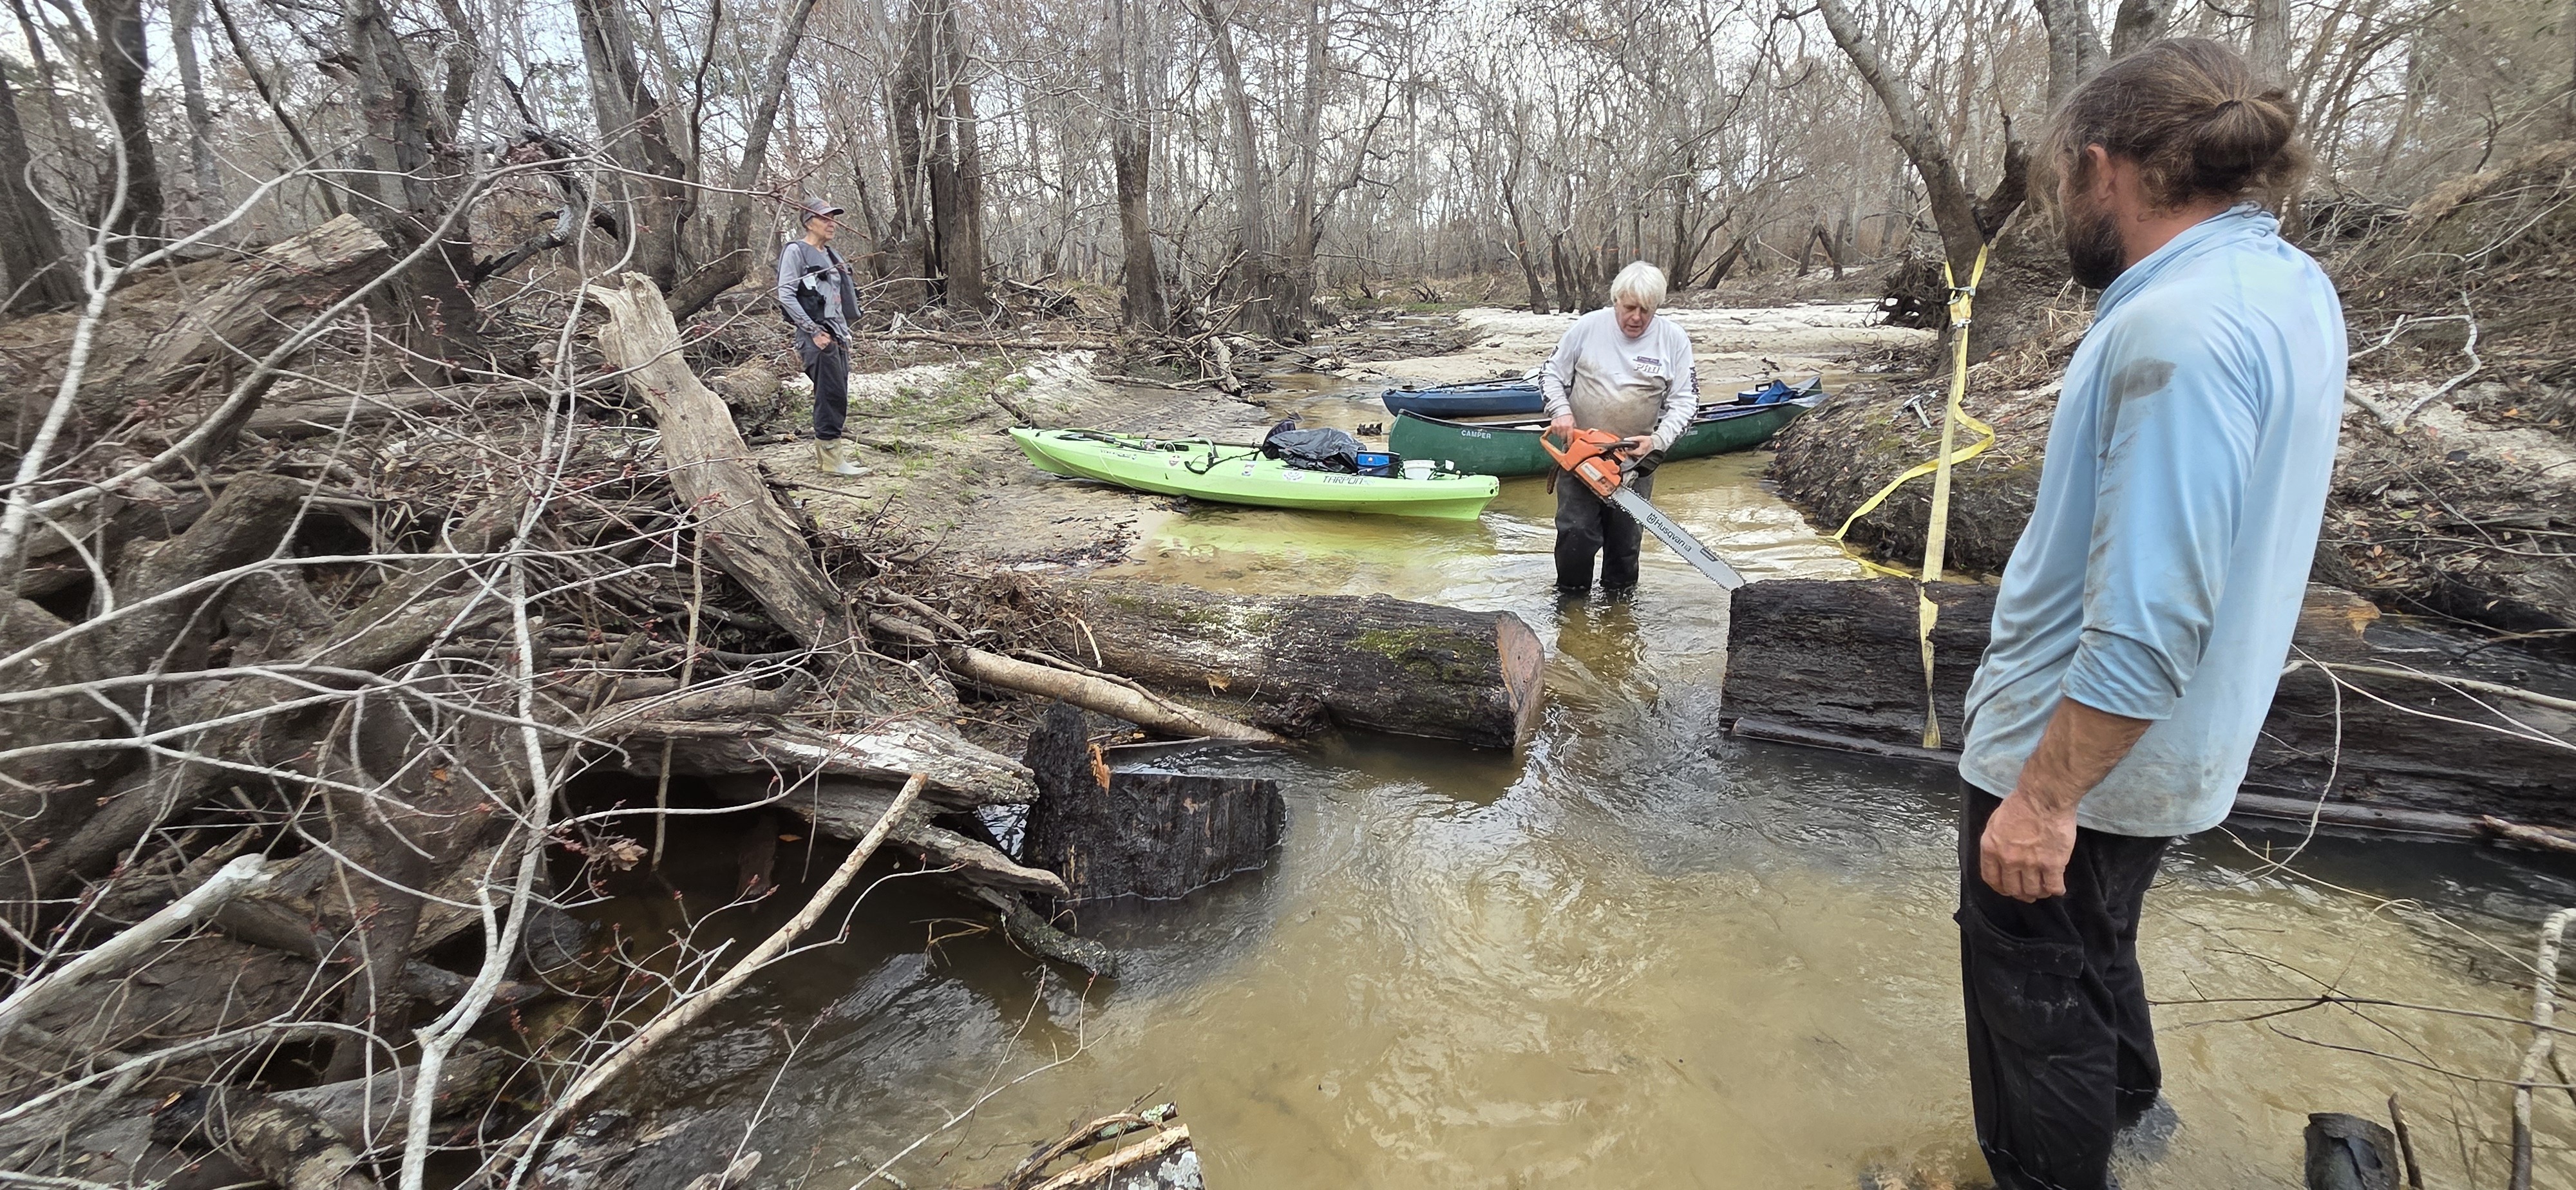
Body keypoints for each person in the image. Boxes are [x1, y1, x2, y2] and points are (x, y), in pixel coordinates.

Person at [1953, 38, 2344, 1190]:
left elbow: (2149, 615)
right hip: (2175, 748)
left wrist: (2041, 797)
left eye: (2065, 188)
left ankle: (2048, 1172)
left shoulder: (2175, 330)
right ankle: (2134, 1121)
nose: (2064, 210)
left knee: (2031, 1001)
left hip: (2076, 748)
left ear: (2102, 167)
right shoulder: (2287, 285)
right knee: (2095, 950)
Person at [1539, 261, 1698, 594]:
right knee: (1576, 537)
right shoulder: (1587, 328)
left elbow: (1686, 402)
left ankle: (1619, 615)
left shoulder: (1673, 340)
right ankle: (1570, 608)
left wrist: (1657, 441)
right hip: (1583, 457)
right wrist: (1561, 411)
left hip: (1634, 462)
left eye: (1646, 310)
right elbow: (1551, 375)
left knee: (1625, 550)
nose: (1637, 317)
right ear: (1616, 301)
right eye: (1630, 308)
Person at [777, 198, 864, 476]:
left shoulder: (831, 255)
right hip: (817, 337)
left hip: (837, 336)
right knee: (829, 395)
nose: (831, 223)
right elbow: (786, 294)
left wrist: (844, 334)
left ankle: (831, 457)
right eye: (825, 218)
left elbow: (837, 301)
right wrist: (814, 331)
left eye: (833, 217)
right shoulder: (796, 252)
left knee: (836, 394)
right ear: (808, 222)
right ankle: (831, 460)